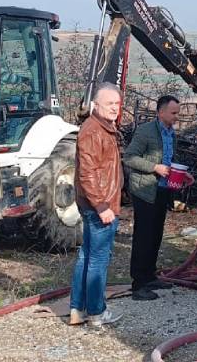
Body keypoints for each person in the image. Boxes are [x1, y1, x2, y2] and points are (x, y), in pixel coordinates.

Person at [70, 83, 123, 327]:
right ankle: (96, 312)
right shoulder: (93, 131)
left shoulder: (103, 128)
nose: (115, 108)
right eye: (109, 103)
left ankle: (77, 309)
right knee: (98, 260)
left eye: (117, 103)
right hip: (100, 206)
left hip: (98, 203)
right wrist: (102, 206)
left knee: (87, 256)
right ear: (96, 105)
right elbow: (87, 173)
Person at [123, 94, 182, 301]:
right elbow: (129, 157)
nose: (177, 117)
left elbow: (168, 157)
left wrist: (180, 173)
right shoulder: (146, 131)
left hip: (162, 190)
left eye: (178, 113)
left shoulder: (170, 133)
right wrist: (154, 167)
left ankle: (150, 276)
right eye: (173, 113)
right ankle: (138, 283)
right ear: (161, 112)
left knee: (156, 235)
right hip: (145, 191)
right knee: (144, 237)